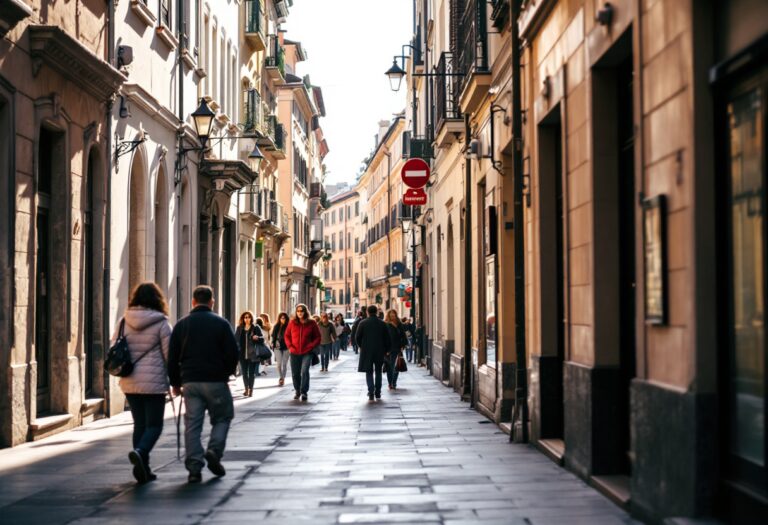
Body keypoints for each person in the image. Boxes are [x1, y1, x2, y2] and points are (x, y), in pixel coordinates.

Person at [168, 285, 239, 484]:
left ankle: (194, 468)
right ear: (212, 302)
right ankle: (214, 450)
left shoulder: (182, 325)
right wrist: (226, 373)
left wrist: (175, 382)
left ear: (193, 301)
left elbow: (172, 358)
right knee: (223, 417)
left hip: (190, 382)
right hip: (216, 380)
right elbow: (233, 353)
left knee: (192, 424)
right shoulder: (221, 324)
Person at [113, 282, 172, 484]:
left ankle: (142, 469)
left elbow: (115, 346)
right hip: (154, 383)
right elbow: (169, 355)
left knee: (139, 424)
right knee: (154, 425)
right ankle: (141, 452)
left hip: (129, 381)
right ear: (158, 299)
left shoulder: (123, 321)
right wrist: (175, 380)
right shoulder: (162, 323)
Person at [284, 303, 321, 401]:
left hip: (307, 352)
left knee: (304, 371)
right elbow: (287, 336)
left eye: (302, 311)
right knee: (295, 373)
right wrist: (290, 347)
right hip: (294, 352)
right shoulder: (292, 323)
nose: (300, 313)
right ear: (296, 312)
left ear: (305, 312)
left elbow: (318, 337)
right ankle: (297, 390)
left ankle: (304, 392)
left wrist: (311, 345)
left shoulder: (312, 323)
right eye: (298, 311)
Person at [355, 305, 391, 401]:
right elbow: (387, 338)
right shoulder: (382, 323)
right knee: (378, 371)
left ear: (367, 312)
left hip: (367, 350)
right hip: (380, 350)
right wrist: (386, 350)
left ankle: (371, 392)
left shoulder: (363, 323)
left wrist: (362, 346)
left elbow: (357, 337)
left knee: (369, 371)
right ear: (376, 312)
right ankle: (378, 392)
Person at [234, 311, 263, 397]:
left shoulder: (255, 327)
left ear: (251, 318)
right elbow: (236, 340)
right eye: (245, 317)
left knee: (251, 373)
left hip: (253, 354)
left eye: (248, 317)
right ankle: (246, 388)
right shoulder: (240, 328)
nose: (247, 319)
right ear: (243, 319)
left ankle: (251, 390)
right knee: (244, 373)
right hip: (242, 355)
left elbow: (262, 339)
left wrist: (257, 337)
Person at [384, 309, 407, 390]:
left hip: (397, 348)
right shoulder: (385, 324)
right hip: (388, 349)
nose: (392, 316)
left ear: (396, 315)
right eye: (391, 315)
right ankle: (390, 383)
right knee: (389, 367)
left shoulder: (399, 324)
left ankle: (394, 382)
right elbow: (383, 337)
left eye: (394, 315)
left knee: (396, 366)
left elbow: (403, 335)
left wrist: (403, 345)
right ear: (388, 316)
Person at [271, 312, 290, 386]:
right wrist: (272, 343)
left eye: (284, 318)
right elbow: (273, 336)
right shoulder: (276, 326)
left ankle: (282, 379)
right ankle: (281, 377)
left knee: (284, 364)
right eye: (281, 318)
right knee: (279, 364)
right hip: (277, 347)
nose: (283, 319)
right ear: (279, 319)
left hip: (286, 347)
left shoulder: (289, 326)